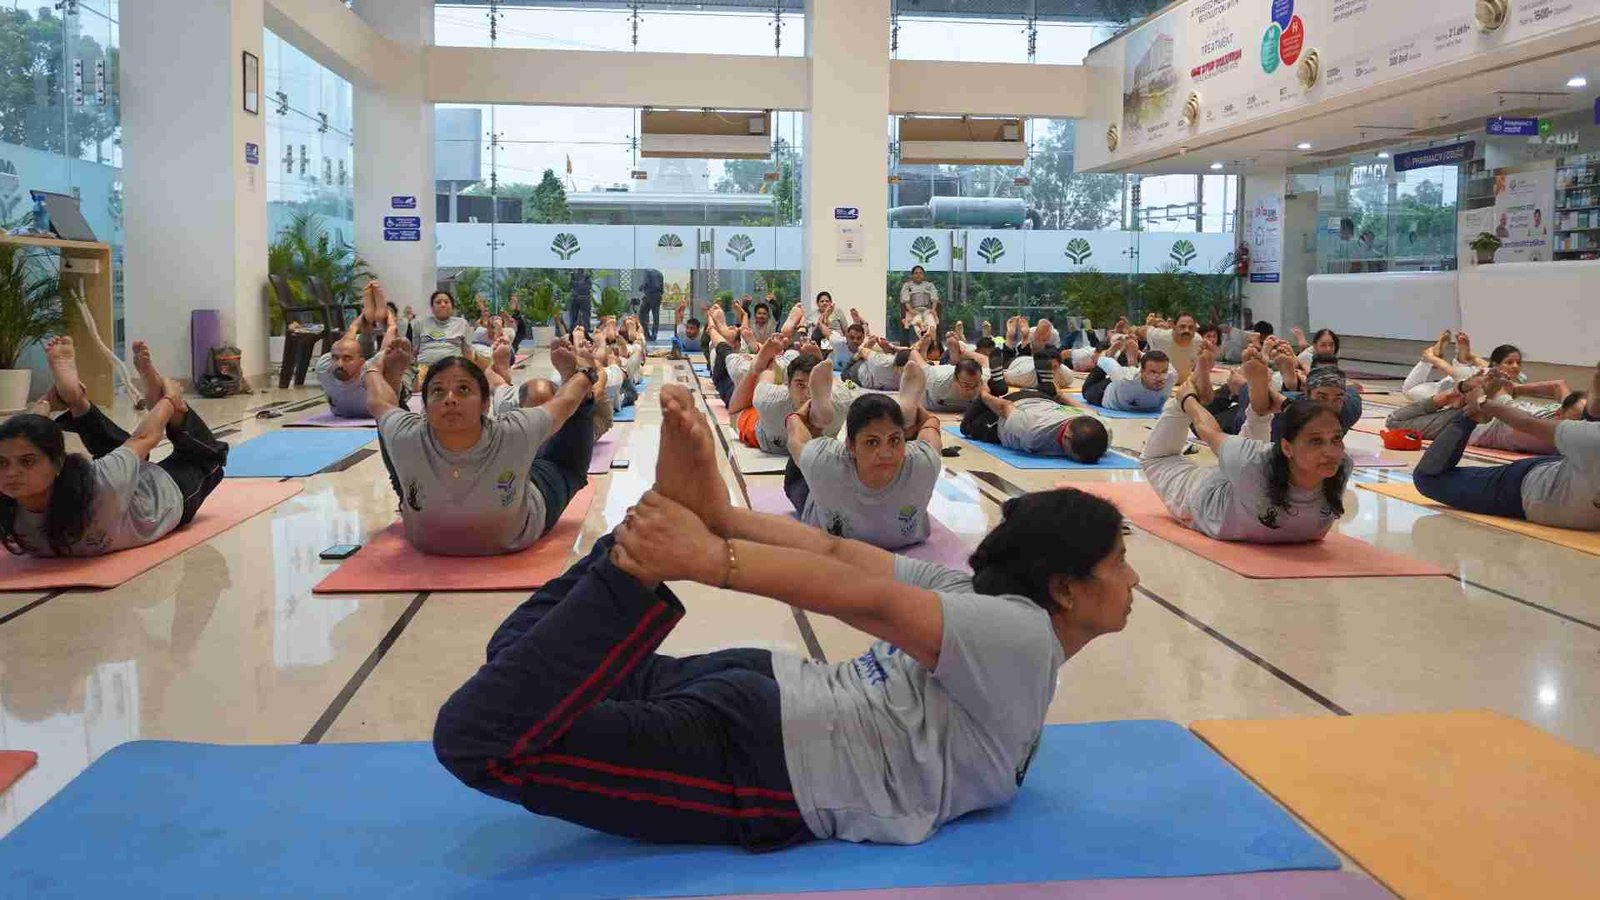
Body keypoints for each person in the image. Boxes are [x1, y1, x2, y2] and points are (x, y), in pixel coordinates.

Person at [432, 384, 1139, 847]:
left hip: (761, 692)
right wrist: (710, 553)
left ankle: (636, 539)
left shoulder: (972, 595)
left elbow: (837, 552)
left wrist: (718, 519)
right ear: (1065, 588)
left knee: (519, 663)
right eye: (1118, 562)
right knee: (479, 740)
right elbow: (861, 592)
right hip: (768, 761)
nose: (1133, 579)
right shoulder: (1024, 636)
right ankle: (634, 564)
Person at [364, 337, 599, 556]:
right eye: (438, 391)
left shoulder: (511, 432)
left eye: (463, 389)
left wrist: (373, 370)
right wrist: (587, 374)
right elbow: (566, 401)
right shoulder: (513, 431)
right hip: (501, 525)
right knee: (568, 468)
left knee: (396, 432)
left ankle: (394, 384)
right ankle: (394, 382)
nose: (450, 399)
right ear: (425, 407)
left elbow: (379, 402)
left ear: (485, 404)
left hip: (517, 510)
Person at [1, 338, 228, 558]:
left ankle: (164, 404)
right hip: (123, 488)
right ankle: (78, 400)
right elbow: (25, 435)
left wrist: (170, 400)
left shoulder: (101, 484)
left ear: (58, 463)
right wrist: (46, 402)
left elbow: (145, 438)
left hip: (161, 493)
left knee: (209, 457)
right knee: (123, 456)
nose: (11, 473)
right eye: (1, 463)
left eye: (27, 461)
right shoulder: (104, 480)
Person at [1142, 378, 1352, 544]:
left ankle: (1260, 409)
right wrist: (1188, 399)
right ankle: (1183, 397)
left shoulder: (1341, 466)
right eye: (1316, 442)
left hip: (1249, 481)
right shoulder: (1254, 461)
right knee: (1158, 459)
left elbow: (1312, 424)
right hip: (1206, 496)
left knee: (1248, 458)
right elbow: (1208, 432)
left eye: (1336, 439)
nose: (1331, 452)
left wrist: (1285, 404)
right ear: (1287, 447)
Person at [1412, 375, 1600, 531]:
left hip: (1530, 488)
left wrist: (1480, 402)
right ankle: (1471, 413)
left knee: (1429, 479)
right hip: (1550, 476)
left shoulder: (1591, 437)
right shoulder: (1589, 436)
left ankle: (1469, 415)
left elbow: (1528, 423)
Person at [782, 391, 943, 550]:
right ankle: (816, 425)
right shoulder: (826, 462)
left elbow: (931, 435)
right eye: (872, 442)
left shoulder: (921, 464)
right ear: (850, 446)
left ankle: (906, 414)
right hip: (815, 492)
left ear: (904, 439)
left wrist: (929, 419)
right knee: (804, 465)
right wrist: (796, 418)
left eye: (894, 440)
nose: (885, 454)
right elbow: (796, 442)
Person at [727, 336, 853, 455]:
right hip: (766, 435)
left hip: (792, 438)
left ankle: (807, 358)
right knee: (735, 410)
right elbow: (767, 375)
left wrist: (820, 365)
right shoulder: (769, 400)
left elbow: (827, 377)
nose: (808, 394)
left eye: (812, 386)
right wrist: (763, 366)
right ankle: (758, 364)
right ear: (786, 385)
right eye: (801, 385)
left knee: (795, 362)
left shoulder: (842, 400)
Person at [959, 379, 1110, 463]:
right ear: (1067, 436)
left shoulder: (1103, 430)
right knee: (967, 428)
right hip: (1016, 403)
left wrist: (1061, 395)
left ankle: (1047, 388)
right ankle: (989, 388)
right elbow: (1005, 408)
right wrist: (985, 395)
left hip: (1046, 400)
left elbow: (1088, 411)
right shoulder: (1034, 432)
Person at [317, 333, 413, 419]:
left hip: (395, 387)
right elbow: (344, 344)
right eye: (335, 358)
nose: (339, 364)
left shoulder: (371, 373)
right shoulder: (324, 367)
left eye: (347, 358)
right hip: (343, 411)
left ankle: (408, 370)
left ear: (361, 362)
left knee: (388, 359)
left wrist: (396, 371)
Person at [1081, 344, 1175, 413]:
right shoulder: (1123, 378)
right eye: (1153, 372)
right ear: (1142, 371)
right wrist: (1105, 356)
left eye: (1163, 372)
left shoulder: (1172, 376)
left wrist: (1139, 353)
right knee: (1086, 392)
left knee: (1124, 372)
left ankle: (1132, 360)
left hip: (1124, 383)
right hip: (1104, 393)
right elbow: (1103, 361)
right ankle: (1112, 354)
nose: (1159, 377)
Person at [1133, 312, 1201, 382]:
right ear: (1174, 326)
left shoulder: (1198, 341)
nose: (1187, 330)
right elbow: (1142, 331)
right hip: (1157, 384)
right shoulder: (1160, 337)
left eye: (1191, 327)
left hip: (1182, 385)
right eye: (1182, 326)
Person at [415, 291, 472, 373]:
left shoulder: (462, 323)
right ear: (432, 307)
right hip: (424, 368)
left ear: (452, 306)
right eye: (438, 302)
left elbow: (468, 351)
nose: (443, 305)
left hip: (453, 368)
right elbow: (415, 350)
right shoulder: (420, 323)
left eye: (446, 302)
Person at [898, 266, 940, 339]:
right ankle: (924, 340)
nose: (918, 275)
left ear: (923, 275)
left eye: (920, 273)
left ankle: (932, 342)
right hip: (913, 311)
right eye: (916, 273)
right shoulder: (907, 285)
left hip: (927, 310)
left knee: (931, 323)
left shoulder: (929, 285)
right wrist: (911, 311)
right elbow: (905, 300)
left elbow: (934, 298)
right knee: (918, 323)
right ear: (912, 275)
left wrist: (933, 310)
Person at [568, 268, 594, 333]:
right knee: (575, 315)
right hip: (578, 297)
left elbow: (588, 286)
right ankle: (574, 329)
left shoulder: (587, 276)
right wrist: (580, 284)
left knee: (584, 315)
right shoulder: (573, 275)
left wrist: (576, 284)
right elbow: (571, 285)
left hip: (581, 297)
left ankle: (585, 329)